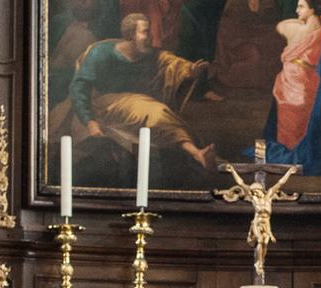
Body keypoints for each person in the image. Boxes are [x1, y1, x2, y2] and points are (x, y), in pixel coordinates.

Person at [66, 13, 218, 171]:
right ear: (131, 35)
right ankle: (195, 153)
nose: (151, 37)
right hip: (104, 105)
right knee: (156, 113)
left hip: (134, 103)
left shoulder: (148, 53)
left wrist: (189, 70)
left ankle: (197, 153)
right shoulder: (101, 52)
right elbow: (79, 86)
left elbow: (170, 62)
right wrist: (90, 121)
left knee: (158, 115)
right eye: (145, 32)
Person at [266, 0, 321, 177]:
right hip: (305, 82)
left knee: (296, 122)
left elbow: (280, 27)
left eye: (301, 6)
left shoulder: (295, 29)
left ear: (312, 9)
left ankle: (300, 154)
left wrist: (313, 20)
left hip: (296, 82)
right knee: (308, 124)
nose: (296, 10)